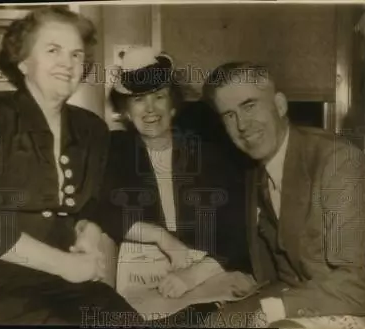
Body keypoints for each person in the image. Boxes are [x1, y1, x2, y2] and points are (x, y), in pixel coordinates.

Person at [0, 6, 148, 325]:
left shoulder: (92, 128)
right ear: (23, 61)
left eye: (77, 55)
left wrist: (88, 235)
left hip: (67, 285)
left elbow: (94, 203)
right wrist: (64, 264)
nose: (68, 63)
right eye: (53, 50)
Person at [202, 62, 365, 328]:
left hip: (351, 303)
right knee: (213, 323)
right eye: (229, 115)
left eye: (249, 106)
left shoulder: (337, 161)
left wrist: (275, 308)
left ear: (279, 105)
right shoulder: (255, 171)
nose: (242, 125)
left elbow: (358, 285)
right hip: (301, 297)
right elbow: (283, 273)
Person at [104, 47, 254, 305]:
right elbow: (98, 210)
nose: (150, 109)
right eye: (139, 100)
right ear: (127, 112)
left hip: (208, 274)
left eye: (159, 97)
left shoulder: (209, 155)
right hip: (142, 282)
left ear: (173, 106)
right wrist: (160, 236)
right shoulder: (114, 152)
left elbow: (239, 231)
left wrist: (192, 275)